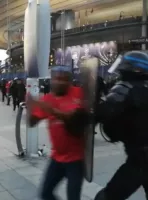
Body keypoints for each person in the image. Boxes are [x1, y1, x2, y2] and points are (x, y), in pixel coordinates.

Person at [26, 66, 88, 200]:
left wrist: (52, 110)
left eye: (65, 79)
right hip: (57, 158)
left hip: (76, 160)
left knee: (73, 196)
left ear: (70, 81)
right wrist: (30, 107)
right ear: (51, 80)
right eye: (57, 79)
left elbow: (76, 119)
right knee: (45, 193)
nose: (61, 82)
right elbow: (31, 123)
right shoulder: (47, 100)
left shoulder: (79, 94)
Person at [94, 51, 148, 200]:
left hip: (139, 161)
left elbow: (101, 113)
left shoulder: (124, 89)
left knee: (106, 198)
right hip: (140, 157)